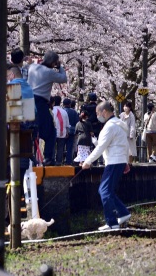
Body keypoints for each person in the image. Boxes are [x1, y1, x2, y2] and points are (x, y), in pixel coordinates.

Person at [80, 102, 132, 231]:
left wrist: (87, 161)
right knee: (108, 191)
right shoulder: (119, 125)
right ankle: (123, 213)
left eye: (98, 113)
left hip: (114, 161)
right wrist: (125, 161)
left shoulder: (109, 127)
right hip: (118, 161)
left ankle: (111, 222)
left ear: (104, 112)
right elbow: (124, 145)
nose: (97, 116)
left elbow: (100, 147)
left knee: (104, 191)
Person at [26, 52, 69, 165]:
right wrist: (60, 67)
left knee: (31, 131)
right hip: (40, 103)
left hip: (28, 101)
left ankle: (28, 157)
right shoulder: (50, 72)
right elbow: (63, 78)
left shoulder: (32, 67)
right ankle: (48, 158)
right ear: (53, 63)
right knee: (50, 132)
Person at [63, 99, 80, 165]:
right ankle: (68, 161)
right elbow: (77, 122)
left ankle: (60, 160)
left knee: (61, 147)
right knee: (69, 148)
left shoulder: (62, 111)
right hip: (72, 131)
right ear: (70, 104)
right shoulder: (74, 112)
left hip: (63, 131)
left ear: (63, 104)